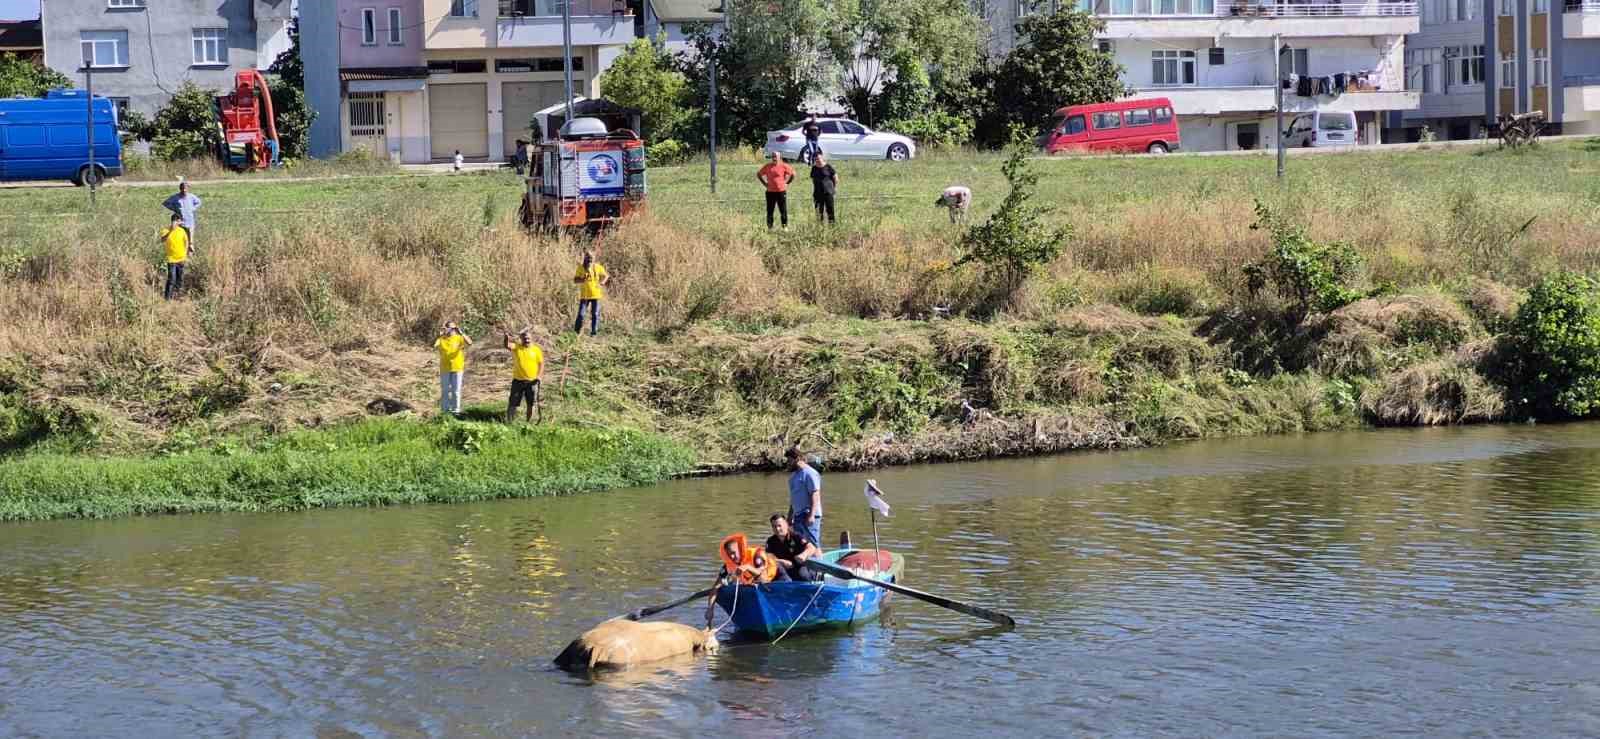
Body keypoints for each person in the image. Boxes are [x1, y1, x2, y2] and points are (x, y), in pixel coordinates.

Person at [785, 446, 823, 547]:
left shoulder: (810, 473)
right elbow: (793, 499)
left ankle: (818, 557)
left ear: (797, 459)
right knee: (800, 545)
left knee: (813, 544)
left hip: (808, 514)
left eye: (789, 460)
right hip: (797, 516)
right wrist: (789, 516)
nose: (788, 463)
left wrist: (812, 515)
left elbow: (815, 494)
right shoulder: (793, 477)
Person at [766, 513, 822, 581]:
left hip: (800, 565)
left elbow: (812, 548)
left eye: (779, 526)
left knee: (803, 575)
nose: (777, 529)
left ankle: (815, 578)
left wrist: (803, 555)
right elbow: (768, 558)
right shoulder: (770, 541)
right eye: (774, 526)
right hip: (783, 567)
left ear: (786, 524)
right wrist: (782, 562)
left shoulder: (796, 536)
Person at [504, 329, 543, 423]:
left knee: (531, 403)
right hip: (518, 381)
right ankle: (509, 422)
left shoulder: (536, 350)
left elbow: (541, 364)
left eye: (528, 338)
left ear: (531, 338)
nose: (527, 340)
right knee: (513, 403)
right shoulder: (517, 347)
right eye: (525, 338)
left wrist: (539, 376)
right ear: (521, 339)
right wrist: (506, 338)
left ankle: (528, 423)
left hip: (532, 382)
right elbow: (507, 345)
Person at [434, 320, 472, 415]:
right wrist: (440, 335)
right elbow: (434, 346)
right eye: (450, 328)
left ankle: (456, 410)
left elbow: (470, 343)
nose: (452, 330)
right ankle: (445, 410)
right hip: (445, 368)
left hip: (457, 367)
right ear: (446, 328)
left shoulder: (459, 337)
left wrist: (461, 333)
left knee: (456, 391)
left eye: (454, 328)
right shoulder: (441, 339)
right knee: (445, 390)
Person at [719, 534, 785, 585]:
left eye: (733, 553)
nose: (732, 556)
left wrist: (747, 567)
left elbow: (764, 578)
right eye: (729, 554)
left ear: (740, 549)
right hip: (756, 583)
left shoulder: (756, 555)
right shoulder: (729, 564)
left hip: (777, 575)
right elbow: (717, 584)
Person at [572, 250, 609, 335]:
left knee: (595, 314)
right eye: (588, 258)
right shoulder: (581, 268)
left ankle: (594, 333)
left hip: (596, 295)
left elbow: (606, 276)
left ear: (594, 259)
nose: (590, 260)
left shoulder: (597, 267)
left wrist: (602, 282)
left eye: (591, 258)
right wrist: (582, 279)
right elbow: (575, 280)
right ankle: (576, 333)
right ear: (585, 258)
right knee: (581, 314)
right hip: (584, 296)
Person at [757, 151, 795, 230]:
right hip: (770, 192)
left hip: (781, 192)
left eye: (776, 156)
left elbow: (793, 174)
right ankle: (770, 227)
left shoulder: (784, 166)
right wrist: (765, 184)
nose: (774, 158)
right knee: (770, 210)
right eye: (773, 156)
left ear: (779, 157)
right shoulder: (767, 166)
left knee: (783, 210)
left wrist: (787, 183)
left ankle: (785, 227)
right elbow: (759, 174)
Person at [159, 213, 189, 300]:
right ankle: (167, 298)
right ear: (173, 221)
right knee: (171, 279)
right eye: (176, 221)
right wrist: (171, 231)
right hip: (171, 259)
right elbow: (163, 239)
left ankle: (176, 296)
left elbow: (186, 242)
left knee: (180, 279)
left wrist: (185, 254)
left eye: (179, 221)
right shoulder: (166, 230)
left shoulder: (182, 231)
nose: (178, 223)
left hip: (181, 259)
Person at [162, 180, 201, 249]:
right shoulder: (175, 197)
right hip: (179, 219)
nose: (184, 190)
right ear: (180, 189)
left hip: (189, 220)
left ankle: (190, 249)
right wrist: (173, 208)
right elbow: (165, 203)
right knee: (178, 235)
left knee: (190, 240)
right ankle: (166, 239)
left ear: (188, 189)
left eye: (185, 188)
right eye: (182, 188)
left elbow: (199, 202)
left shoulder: (191, 196)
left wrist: (193, 208)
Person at [809, 153, 838, 225]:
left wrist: (833, 188)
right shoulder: (814, 168)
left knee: (830, 209)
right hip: (817, 193)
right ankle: (820, 225)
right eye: (816, 159)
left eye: (818, 158)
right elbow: (813, 179)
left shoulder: (828, 167)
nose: (817, 160)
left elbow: (835, 178)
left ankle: (832, 225)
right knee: (819, 210)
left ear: (822, 158)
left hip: (828, 192)